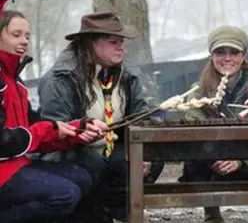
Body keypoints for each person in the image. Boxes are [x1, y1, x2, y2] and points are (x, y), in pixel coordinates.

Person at [37, 12, 163, 222]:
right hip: (76, 153)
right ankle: (87, 210)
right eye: (113, 42)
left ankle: (114, 208)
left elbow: (140, 116)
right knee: (93, 163)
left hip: (114, 147)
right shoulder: (60, 79)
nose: (121, 47)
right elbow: (55, 133)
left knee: (153, 157)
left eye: (122, 42)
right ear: (90, 44)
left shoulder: (128, 74)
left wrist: (145, 154)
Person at [0, 10, 107, 223]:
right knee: (63, 194)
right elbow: (4, 141)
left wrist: (76, 130)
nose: (24, 41)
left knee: (82, 178)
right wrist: (50, 130)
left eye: (27, 36)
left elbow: (34, 126)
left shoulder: (15, 80)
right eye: (16, 34)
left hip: (17, 164)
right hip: (4, 170)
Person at [178, 25, 248, 223]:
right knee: (193, 161)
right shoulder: (197, 92)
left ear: (243, 55)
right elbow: (193, 128)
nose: (227, 58)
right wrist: (216, 157)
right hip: (213, 159)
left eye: (234, 52)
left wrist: (240, 160)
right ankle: (211, 212)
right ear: (212, 55)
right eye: (220, 52)